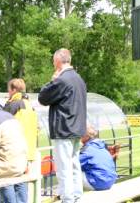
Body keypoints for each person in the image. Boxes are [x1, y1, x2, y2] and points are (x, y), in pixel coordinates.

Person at [39, 49, 87, 203]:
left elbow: (43, 98)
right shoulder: (79, 79)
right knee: (74, 164)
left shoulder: (62, 79)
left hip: (63, 129)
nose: (53, 64)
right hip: (77, 128)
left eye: (54, 61)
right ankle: (77, 195)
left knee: (64, 167)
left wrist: (52, 80)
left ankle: (67, 199)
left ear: (58, 61)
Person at [3, 78, 39, 203]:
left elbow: (3, 123)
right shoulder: (29, 105)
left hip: (14, 149)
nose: (8, 92)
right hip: (28, 149)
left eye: (8, 89)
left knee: (8, 181)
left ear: (13, 90)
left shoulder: (13, 104)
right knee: (22, 181)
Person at [79, 125, 117, 191]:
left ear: (87, 136)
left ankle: (64, 196)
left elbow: (74, 164)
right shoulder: (102, 145)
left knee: (69, 171)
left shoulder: (88, 149)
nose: (80, 137)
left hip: (99, 183)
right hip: (110, 181)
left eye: (81, 135)